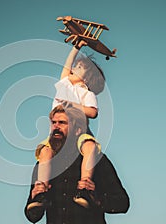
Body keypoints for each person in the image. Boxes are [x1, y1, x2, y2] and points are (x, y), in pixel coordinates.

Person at [24, 105, 129, 224]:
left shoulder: (97, 161)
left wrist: (97, 199)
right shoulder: (44, 165)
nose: (56, 127)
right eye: (54, 123)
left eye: (62, 123)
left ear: (78, 130)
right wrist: (34, 197)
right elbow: (32, 216)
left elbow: (123, 203)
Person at [36, 40, 105, 208]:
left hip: (79, 132)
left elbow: (92, 112)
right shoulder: (65, 86)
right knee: (45, 151)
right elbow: (66, 68)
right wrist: (76, 48)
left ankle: (85, 187)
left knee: (89, 147)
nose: (73, 68)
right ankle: (40, 191)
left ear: (87, 77)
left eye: (79, 67)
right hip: (60, 133)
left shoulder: (86, 93)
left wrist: (73, 105)